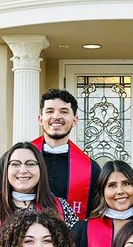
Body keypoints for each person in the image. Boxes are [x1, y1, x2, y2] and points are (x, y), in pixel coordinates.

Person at [31, 88, 100, 217]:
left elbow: (95, 218)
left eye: (63, 111)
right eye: (50, 111)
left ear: (75, 120)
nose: (56, 117)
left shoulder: (91, 169)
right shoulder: (15, 162)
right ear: (40, 119)